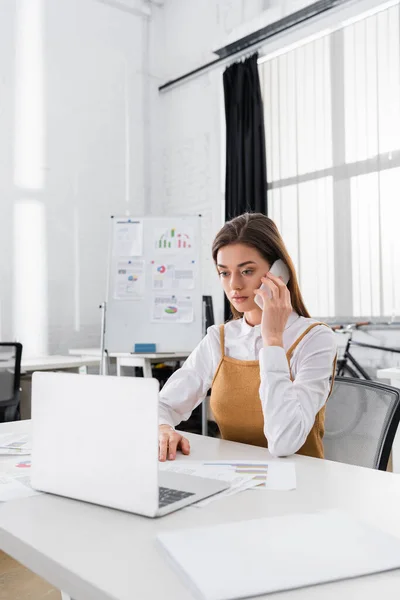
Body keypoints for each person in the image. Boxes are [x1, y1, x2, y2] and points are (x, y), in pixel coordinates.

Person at [158, 213, 337, 462]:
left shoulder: (315, 338)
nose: (234, 285)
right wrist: (163, 428)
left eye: (247, 271)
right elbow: (164, 405)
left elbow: (283, 442)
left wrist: (272, 341)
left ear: (279, 273)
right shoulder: (218, 339)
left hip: (301, 486)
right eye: (224, 273)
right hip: (233, 481)